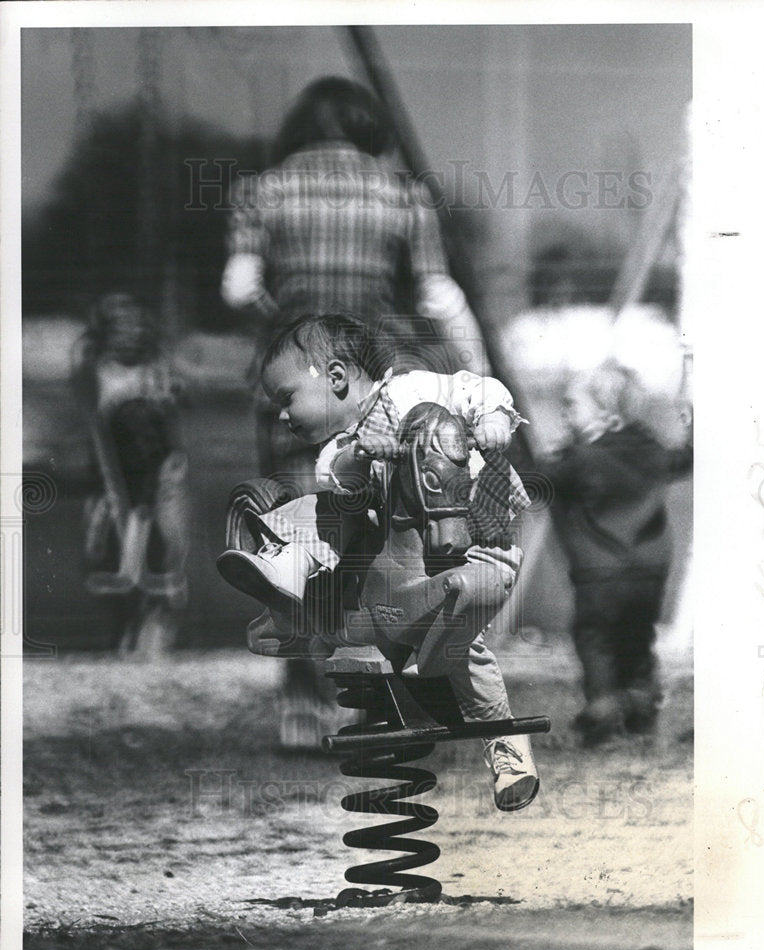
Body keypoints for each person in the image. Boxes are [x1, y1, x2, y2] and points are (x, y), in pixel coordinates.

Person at [217, 313, 538, 811]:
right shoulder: (342, 446)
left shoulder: (413, 390)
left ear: (337, 377)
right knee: (325, 511)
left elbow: (475, 387)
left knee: (466, 654)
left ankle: (507, 753)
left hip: (473, 534)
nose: (282, 415)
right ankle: (286, 574)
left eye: (286, 399)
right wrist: (363, 456)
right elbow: (339, 476)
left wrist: (494, 419)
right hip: (395, 567)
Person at [220, 74, 490, 478]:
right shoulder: (405, 195)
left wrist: (280, 317)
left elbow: (240, 290)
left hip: (294, 380)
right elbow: (437, 295)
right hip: (376, 382)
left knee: (293, 512)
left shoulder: (261, 191)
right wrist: (480, 375)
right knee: (378, 505)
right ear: (370, 126)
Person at [540, 360, 693, 746]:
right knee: (637, 639)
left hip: (600, 572)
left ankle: (605, 715)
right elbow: (683, 459)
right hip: (650, 570)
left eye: (572, 405)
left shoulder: (582, 459)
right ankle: (641, 713)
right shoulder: (652, 448)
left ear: (605, 415)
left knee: (597, 642)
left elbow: (539, 482)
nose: (564, 412)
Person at [72, 292, 189, 625]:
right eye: (120, 330)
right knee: (99, 531)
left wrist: (171, 395)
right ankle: (118, 611)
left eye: (135, 328)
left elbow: (179, 403)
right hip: (113, 467)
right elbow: (93, 413)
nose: (129, 336)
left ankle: (162, 606)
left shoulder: (158, 368)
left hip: (159, 464)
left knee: (169, 531)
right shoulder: (96, 369)